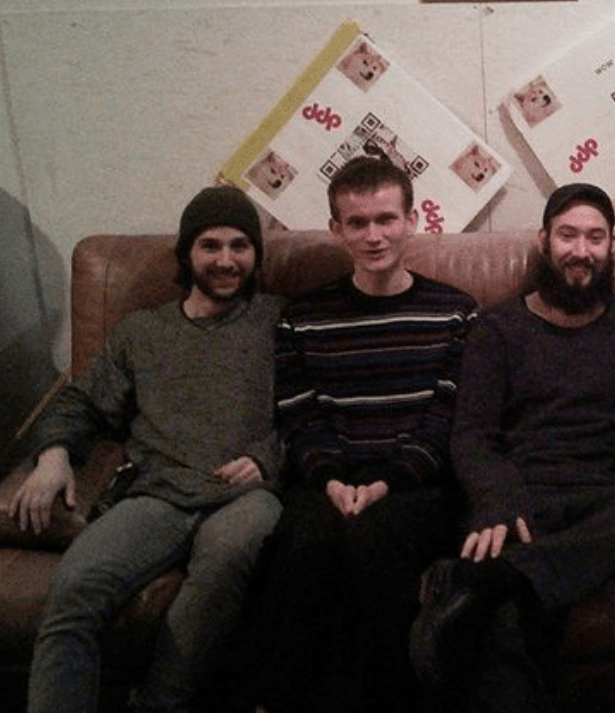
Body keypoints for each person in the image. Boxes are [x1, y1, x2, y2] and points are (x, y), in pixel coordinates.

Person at [410, 183, 615, 713]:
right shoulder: (497, 329)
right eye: (568, 236)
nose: (581, 251)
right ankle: (514, 581)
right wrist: (498, 500)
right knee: (504, 629)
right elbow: (471, 435)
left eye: (595, 238)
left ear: (612, 246)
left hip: (608, 504)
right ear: (544, 240)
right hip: (525, 501)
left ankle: (503, 577)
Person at [6, 185, 285, 712]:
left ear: (256, 254)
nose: (226, 260)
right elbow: (81, 401)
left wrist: (267, 457)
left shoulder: (279, 321)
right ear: (187, 253)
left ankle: (158, 703)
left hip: (244, 495)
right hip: (157, 494)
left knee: (231, 551)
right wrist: (54, 454)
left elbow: (316, 408)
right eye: (210, 245)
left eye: (240, 246)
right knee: (72, 590)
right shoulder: (142, 331)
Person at [228, 156, 477, 713]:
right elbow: (299, 415)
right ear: (336, 229)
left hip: (419, 484)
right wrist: (332, 480)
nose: (373, 236)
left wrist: (390, 482)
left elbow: (449, 417)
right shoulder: (302, 316)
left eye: (386, 219)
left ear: (412, 220)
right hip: (329, 479)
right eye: (357, 223)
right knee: (302, 547)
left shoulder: (456, 312)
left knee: (369, 544)